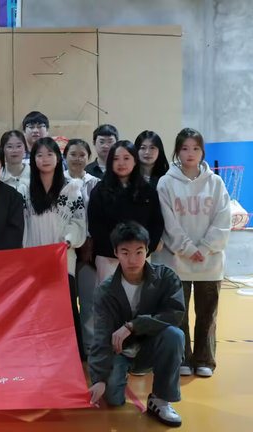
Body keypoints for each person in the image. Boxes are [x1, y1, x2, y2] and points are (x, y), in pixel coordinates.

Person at [88, 222, 185, 428]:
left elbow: (173, 314)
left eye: (139, 252)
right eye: (125, 252)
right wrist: (99, 378)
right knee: (113, 399)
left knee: (174, 335)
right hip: (120, 352)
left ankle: (160, 399)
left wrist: (132, 326)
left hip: (151, 348)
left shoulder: (166, 278)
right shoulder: (105, 291)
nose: (133, 259)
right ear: (116, 252)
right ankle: (116, 379)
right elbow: (101, 336)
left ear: (147, 250)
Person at [154, 128, 231, 378]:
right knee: (179, 315)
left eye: (196, 148)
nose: (190, 153)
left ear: (202, 151)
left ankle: (205, 359)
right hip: (177, 261)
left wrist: (205, 248)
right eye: (185, 148)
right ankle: (182, 359)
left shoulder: (215, 183)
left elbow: (223, 219)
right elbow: (168, 222)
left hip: (210, 262)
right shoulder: (166, 182)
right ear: (177, 151)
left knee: (207, 314)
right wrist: (187, 248)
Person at [18, 137, 86, 358]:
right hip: (33, 262)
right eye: (39, 155)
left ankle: (71, 358)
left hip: (63, 260)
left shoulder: (72, 188)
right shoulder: (24, 188)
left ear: (58, 158)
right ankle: (36, 356)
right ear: (33, 159)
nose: (45, 159)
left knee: (65, 309)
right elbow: (21, 225)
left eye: (50, 154)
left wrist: (67, 240)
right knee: (35, 311)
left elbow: (79, 223)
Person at [88, 141, 164, 285]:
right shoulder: (99, 191)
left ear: (135, 161)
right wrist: (118, 251)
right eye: (116, 159)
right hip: (108, 257)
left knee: (140, 296)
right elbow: (95, 226)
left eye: (126, 158)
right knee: (110, 297)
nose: (121, 163)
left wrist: (145, 249)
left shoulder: (147, 191)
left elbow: (156, 223)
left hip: (140, 257)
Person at [64, 138, 101, 355]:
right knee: (65, 303)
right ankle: (70, 348)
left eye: (82, 155)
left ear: (89, 158)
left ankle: (89, 348)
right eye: (73, 154)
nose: (77, 159)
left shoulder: (95, 183)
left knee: (89, 301)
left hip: (89, 250)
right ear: (65, 157)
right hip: (66, 249)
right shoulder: (58, 182)